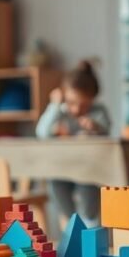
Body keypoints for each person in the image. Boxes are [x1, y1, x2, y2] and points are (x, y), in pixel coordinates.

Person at [36, 60, 111, 227]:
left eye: (83, 105)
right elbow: (42, 132)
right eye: (71, 103)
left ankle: (89, 222)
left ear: (93, 99)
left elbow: (107, 133)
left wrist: (95, 128)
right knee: (55, 184)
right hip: (62, 169)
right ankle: (71, 222)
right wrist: (55, 105)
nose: (76, 109)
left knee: (89, 194)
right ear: (64, 96)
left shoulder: (98, 113)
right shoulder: (60, 112)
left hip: (88, 170)